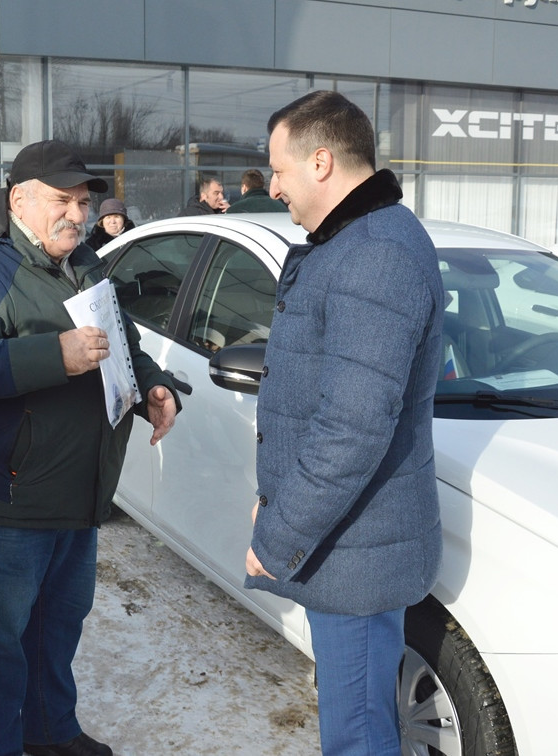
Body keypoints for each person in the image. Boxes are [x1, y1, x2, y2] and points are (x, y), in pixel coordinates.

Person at [0, 139, 180, 756]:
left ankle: (50, 734)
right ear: (21, 199)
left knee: (57, 629)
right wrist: (52, 356)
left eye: (84, 201)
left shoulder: (85, 261)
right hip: (9, 495)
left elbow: (122, 339)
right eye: (65, 200)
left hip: (78, 489)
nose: (79, 214)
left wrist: (152, 387)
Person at [244, 91, 443, 756]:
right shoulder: (353, 242)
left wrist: (277, 535)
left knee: (356, 736)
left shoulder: (374, 254)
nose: (271, 187)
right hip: (344, 539)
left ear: (321, 161)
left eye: (278, 170)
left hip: (355, 552)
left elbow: (351, 428)